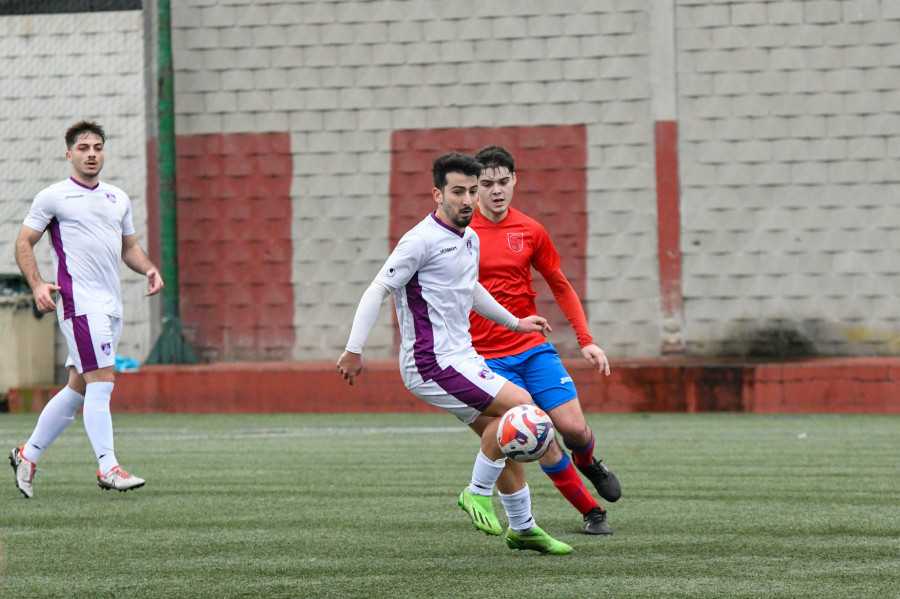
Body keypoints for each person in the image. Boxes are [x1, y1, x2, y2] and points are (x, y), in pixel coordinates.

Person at [337, 152, 571, 554]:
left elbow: (471, 290)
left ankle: (523, 526)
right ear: (437, 194)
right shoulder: (419, 241)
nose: (467, 199)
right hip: (430, 363)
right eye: (458, 191)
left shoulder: (470, 238)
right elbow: (378, 289)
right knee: (522, 406)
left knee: (501, 434)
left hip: (462, 357)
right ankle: (476, 492)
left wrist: (516, 322)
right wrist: (353, 350)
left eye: (472, 190)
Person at [468, 145, 622, 535]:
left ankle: (589, 463)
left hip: (532, 348)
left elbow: (560, 285)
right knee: (537, 438)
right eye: (487, 184)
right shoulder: (462, 233)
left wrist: (586, 340)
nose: (497, 191)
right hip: (487, 361)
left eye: (503, 182)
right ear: (476, 187)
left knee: (574, 429)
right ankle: (591, 512)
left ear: (515, 180)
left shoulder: (531, 230)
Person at [9, 120, 164, 499]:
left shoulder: (117, 198)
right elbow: (24, 243)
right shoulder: (53, 197)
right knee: (103, 380)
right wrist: (37, 284)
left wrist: (148, 268)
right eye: (83, 148)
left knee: (79, 387)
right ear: (69, 154)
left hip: (111, 307)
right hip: (80, 305)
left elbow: (129, 247)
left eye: (97, 147)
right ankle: (108, 466)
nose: (91, 153)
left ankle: (26, 455)